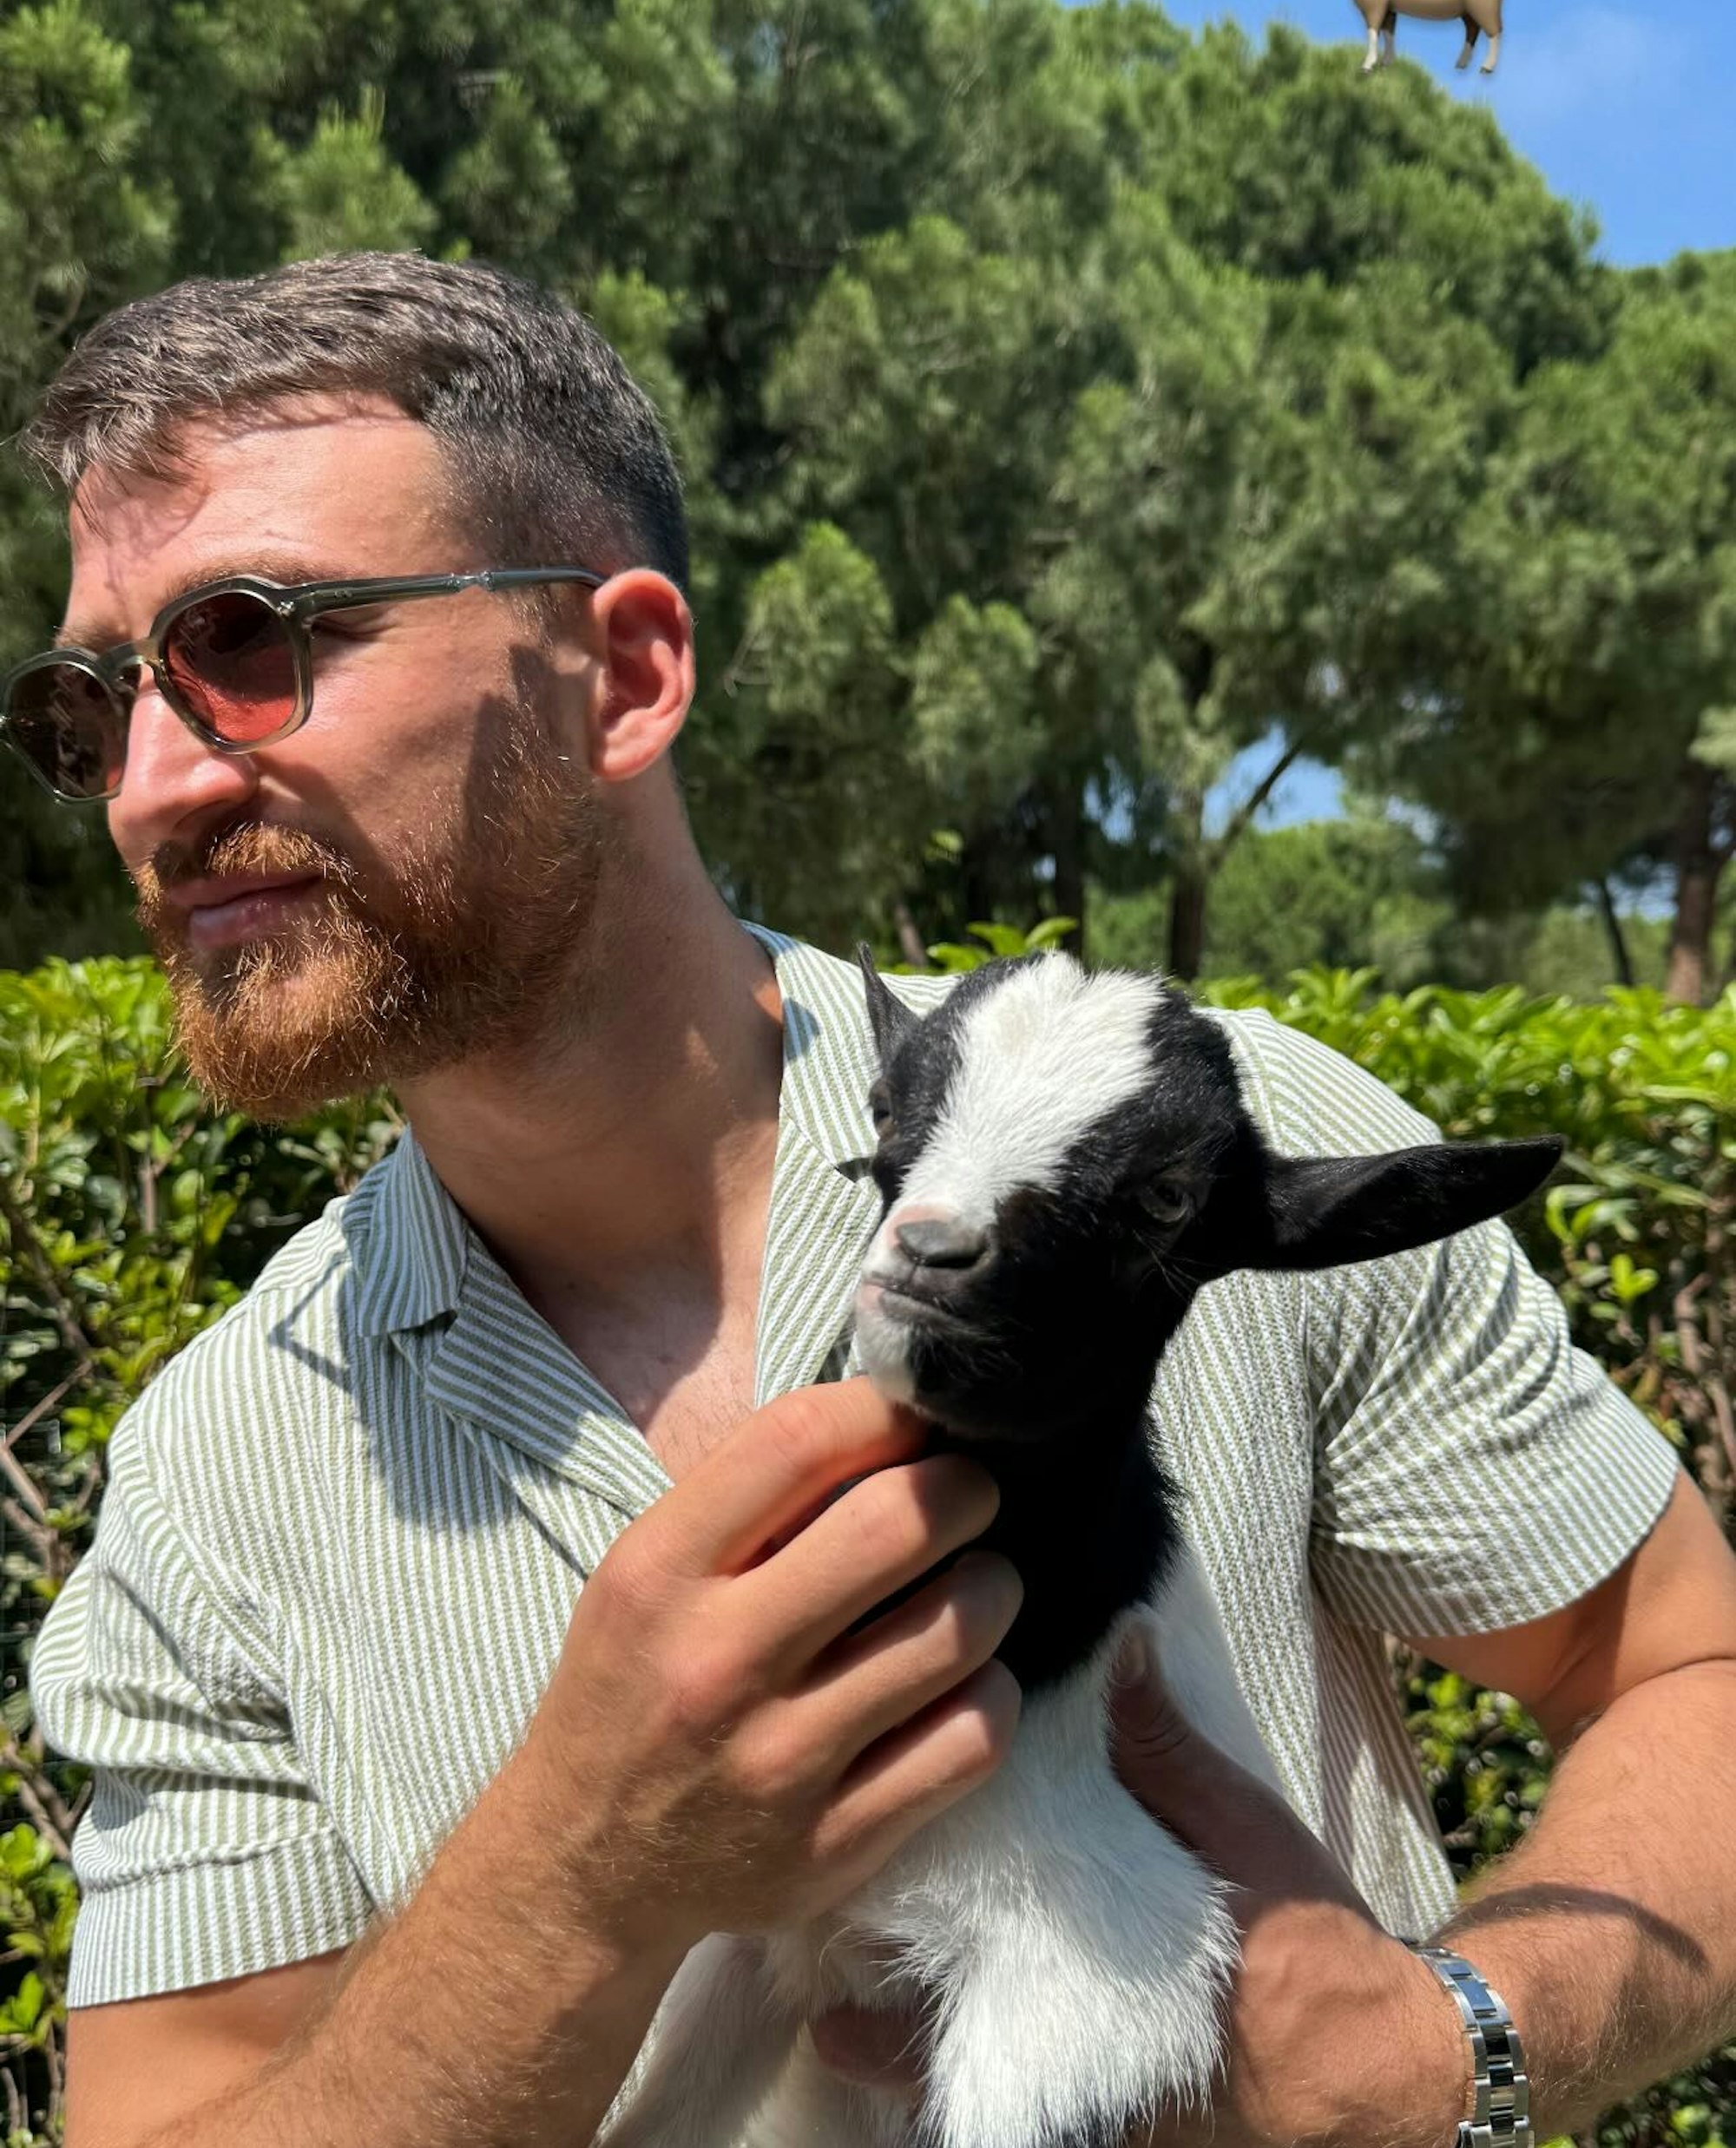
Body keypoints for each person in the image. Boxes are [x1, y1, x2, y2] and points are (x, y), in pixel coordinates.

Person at [13, 251, 1736, 2148]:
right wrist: (574, 1881)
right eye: (93, 707)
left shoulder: (1210, 1158)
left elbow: (1690, 1667)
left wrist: (1452, 2046)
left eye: (252, 638)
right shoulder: (207, 1478)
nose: (146, 791)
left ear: (629, 672)